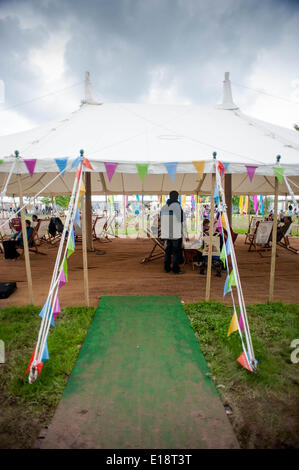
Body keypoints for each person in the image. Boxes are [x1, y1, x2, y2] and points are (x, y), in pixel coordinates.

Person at [160, 190, 186, 274]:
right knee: (176, 251)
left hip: (166, 232)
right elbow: (181, 219)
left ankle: (166, 268)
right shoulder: (177, 206)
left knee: (167, 251)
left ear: (170, 196)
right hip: (175, 233)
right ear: (177, 197)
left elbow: (161, 219)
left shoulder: (164, 207)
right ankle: (175, 269)